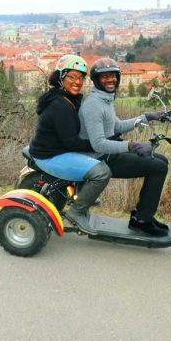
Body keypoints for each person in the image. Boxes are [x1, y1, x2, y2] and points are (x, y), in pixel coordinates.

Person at [79, 57, 169, 237]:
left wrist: (147, 117)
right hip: (100, 157)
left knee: (162, 160)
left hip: (108, 152)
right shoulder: (93, 105)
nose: (110, 79)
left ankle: (143, 215)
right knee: (158, 167)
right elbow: (98, 144)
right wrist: (131, 145)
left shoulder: (105, 99)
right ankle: (141, 220)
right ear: (96, 80)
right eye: (104, 77)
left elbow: (117, 126)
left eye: (113, 76)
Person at [29, 55, 112, 223]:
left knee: (98, 156)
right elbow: (72, 142)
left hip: (59, 149)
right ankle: (77, 212)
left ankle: (82, 195)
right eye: (72, 77)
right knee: (101, 173)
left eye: (81, 78)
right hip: (50, 155)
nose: (78, 82)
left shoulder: (68, 99)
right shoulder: (60, 105)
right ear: (61, 78)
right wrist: (100, 144)